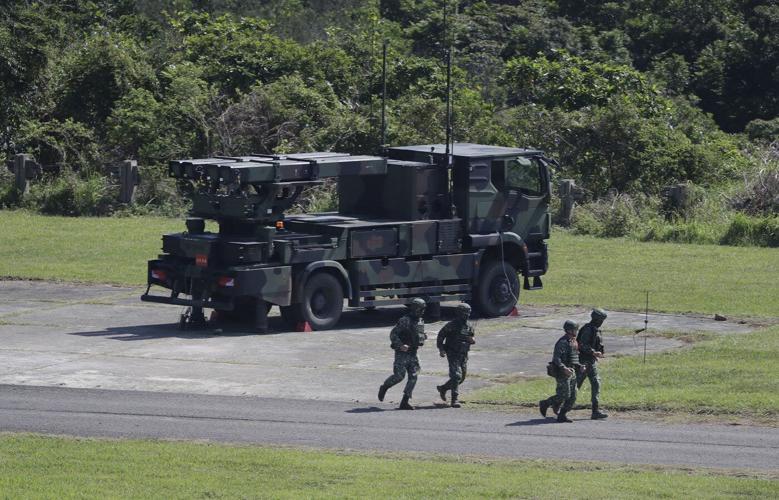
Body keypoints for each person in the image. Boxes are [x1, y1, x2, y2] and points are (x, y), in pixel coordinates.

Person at [378, 298, 428, 410]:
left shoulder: (420, 321)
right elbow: (393, 334)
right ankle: (385, 387)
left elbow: (420, 334)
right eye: (421, 309)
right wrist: (400, 345)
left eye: (423, 309)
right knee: (399, 376)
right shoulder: (405, 320)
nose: (423, 311)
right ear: (415, 309)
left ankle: (404, 401)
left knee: (414, 376)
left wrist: (423, 337)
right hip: (402, 353)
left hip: (414, 353)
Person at [539, 320, 581, 423]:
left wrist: (580, 366)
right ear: (569, 330)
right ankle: (545, 403)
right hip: (563, 372)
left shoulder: (573, 341)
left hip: (572, 371)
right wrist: (564, 368)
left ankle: (562, 415)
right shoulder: (562, 342)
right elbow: (556, 359)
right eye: (575, 329)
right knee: (564, 395)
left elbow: (574, 357)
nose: (576, 331)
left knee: (573, 395)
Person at [436, 303, 475, 408]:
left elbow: (471, 337)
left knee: (461, 378)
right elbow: (440, 336)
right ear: (459, 313)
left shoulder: (469, 326)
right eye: (465, 313)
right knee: (456, 376)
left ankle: (443, 388)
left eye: (468, 313)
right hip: (453, 353)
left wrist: (472, 341)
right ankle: (454, 399)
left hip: (464, 354)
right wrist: (441, 349)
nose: (467, 315)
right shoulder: (451, 325)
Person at [577, 308, 609, 419]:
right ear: (596, 319)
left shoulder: (596, 330)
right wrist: (593, 352)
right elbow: (582, 345)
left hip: (591, 362)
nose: (602, 322)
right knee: (576, 385)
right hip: (583, 362)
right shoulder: (588, 330)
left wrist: (598, 353)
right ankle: (560, 406)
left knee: (596, 384)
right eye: (601, 320)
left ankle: (595, 411)